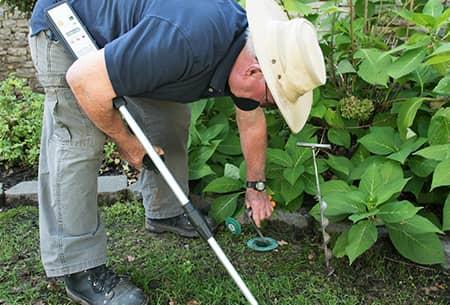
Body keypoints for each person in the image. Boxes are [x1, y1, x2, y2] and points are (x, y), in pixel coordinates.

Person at [28, 0, 326, 304]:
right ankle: (80, 270)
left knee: (170, 119)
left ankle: (165, 211)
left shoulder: (247, 50)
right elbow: (84, 80)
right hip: (68, 28)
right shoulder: (187, 41)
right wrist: (127, 142)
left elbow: (251, 122)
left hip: (133, 42)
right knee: (79, 143)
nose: (265, 106)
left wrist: (256, 186)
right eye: (271, 100)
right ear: (253, 72)